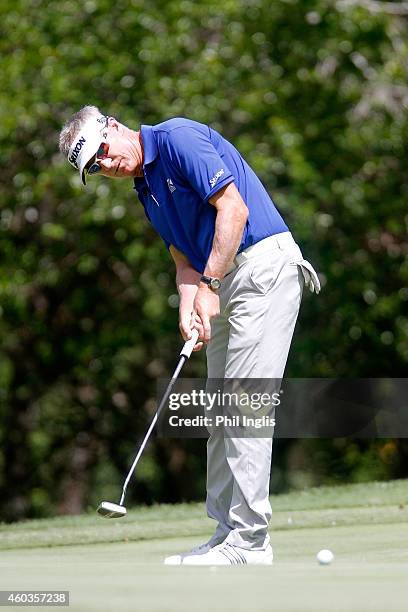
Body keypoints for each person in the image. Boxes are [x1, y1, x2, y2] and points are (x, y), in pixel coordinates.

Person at [59, 106, 320, 565]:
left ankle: (250, 541)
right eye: (95, 168)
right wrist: (188, 301)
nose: (106, 166)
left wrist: (210, 286)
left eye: (102, 152)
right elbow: (183, 258)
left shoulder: (177, 138)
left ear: (114, 128)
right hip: (224, 277)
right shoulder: (146, 190)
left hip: (262, 267)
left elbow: (233, 210)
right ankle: (227, 534)